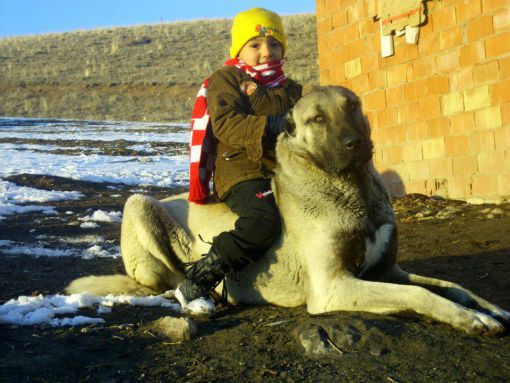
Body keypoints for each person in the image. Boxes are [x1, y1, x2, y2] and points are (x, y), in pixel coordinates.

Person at [176, 7, 302, 316]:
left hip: (285, 172)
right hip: (242, 172)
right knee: (263, 221)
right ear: (240, 49)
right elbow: (227, 123)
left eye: (274, 44)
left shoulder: (293, 89)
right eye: (255, 45)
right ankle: (198, 281)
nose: (266, 52)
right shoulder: (228, 78)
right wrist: (268, 126)